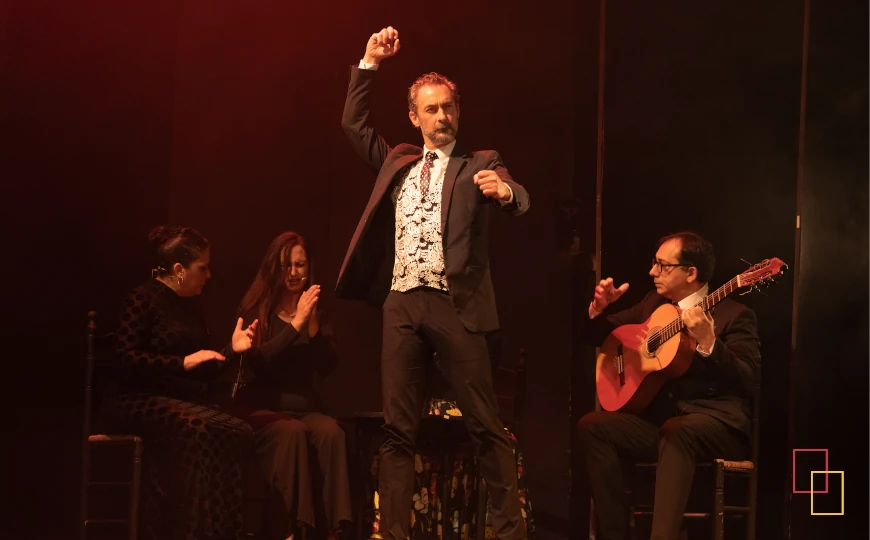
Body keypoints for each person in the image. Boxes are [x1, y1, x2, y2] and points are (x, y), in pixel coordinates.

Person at [336, 27, 531, 540]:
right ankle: (394, 534)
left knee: (487, 426)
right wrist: (369, 63)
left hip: (455, 304)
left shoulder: (479, 163)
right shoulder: (397, 161)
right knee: (398, 430)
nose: (442, 117)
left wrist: (505, 192)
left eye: (449, 107)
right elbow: (354, 125)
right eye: (432, 109)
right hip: (401, 303)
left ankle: (509, 532)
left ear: (457, 110)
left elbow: (521, 196)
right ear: (414, 117)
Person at [576, 231, 761, 540]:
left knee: (678, 430)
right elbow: (600, 337)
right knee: (592, 426)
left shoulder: (735, 316)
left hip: (716, 425)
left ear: (691, 273)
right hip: (662, 426)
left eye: (662, 265)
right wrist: (598, 309)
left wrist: (709, 342)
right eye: (654, 263)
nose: (652, 272)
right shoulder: (653, 304)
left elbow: (747, 379)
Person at [108, 225, 259, 540]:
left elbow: (203, 368)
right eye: (202, 268)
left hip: (179, 401)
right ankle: (186, 531)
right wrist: (182, 362)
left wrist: (231, 350)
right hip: (135, 400)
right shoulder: (143, 298)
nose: (208, 275)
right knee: (195, 426)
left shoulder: (192, 308)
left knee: (237, 430)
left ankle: (222, 531)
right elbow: (124, 359)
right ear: (179, 270)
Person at [232, 232, 352, 540]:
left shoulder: (314, 310)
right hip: (262, 408)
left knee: (331, 433)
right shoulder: (257, 308)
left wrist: (311, 331)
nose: (294, 273)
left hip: (303, 408)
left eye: (300, 265)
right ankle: (291, 531)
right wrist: (295, 326)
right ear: (275, 267)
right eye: (287, 265)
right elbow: (258, 363)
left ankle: (334, 532)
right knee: (291, 432)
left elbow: (327, 367)